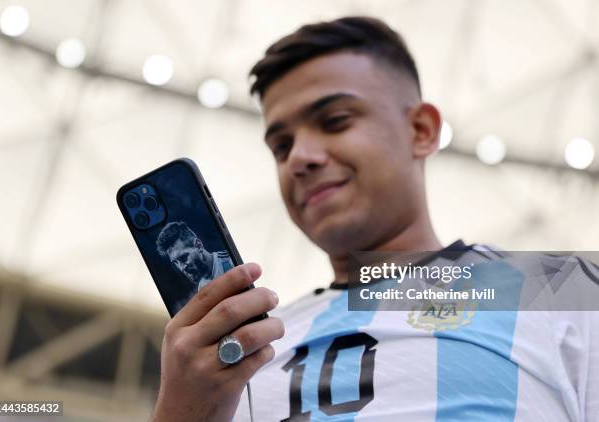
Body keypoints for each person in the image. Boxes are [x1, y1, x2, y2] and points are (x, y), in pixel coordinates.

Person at [151, 16, 598, 421]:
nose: (299, 159)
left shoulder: (564, 293)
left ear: (421, 131)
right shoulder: (239, 354)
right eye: (281, 146)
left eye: (335, 121)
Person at [156, 221, 234, 312]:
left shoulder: (231, 262)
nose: (182, 268)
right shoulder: (202, 288)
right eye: (176, 263)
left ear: (198, 245)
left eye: (183, 258)